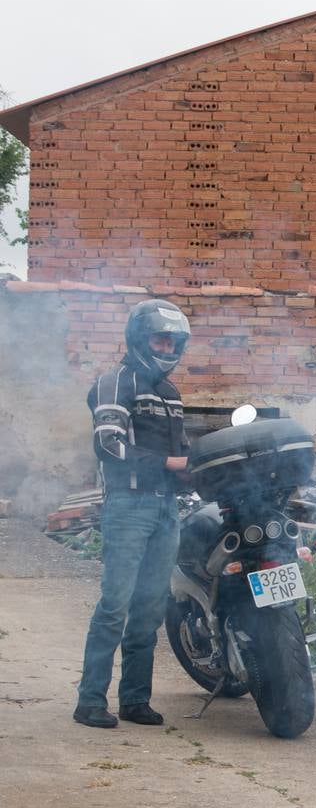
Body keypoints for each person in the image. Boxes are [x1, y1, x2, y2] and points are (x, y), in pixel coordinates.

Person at [73, 299, 192, 729]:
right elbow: (108, 444)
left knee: (150, 608)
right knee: (115, 605)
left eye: (174, 340)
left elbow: (182, 454)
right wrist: (168, 464)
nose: (168, 346)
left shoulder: (171, 394)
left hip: (166, 508)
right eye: (161, 337)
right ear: (139, 338)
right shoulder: (114, 382)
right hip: (128, 507)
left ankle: (135, 700)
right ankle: (89, 702)